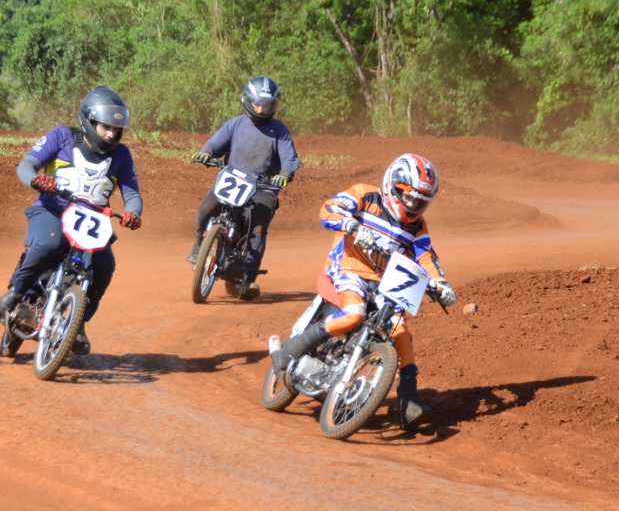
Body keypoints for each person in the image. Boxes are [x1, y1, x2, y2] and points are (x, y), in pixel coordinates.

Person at [271, 153, 457, 429]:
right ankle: (291, 350)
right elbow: (330, 208)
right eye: (410, 198)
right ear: (393, 185)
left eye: (421, 201)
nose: (414, 206)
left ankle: (409, 403)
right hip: (350, 268)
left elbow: (426, 255)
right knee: (354, 314)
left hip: (388, 283)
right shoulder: (366, 196)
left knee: (402, 335)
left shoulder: (418, 225)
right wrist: (348, 223)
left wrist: (440, 283)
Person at [0, 86, 143, 355]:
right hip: (52, 210)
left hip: (92, 221)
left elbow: (132, 194)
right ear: (89, 121)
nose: (111, 134)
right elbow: (26, 165)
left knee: (105, 266)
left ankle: (78, 324)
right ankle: (12, 297)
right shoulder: (62, 136)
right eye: (105, 127)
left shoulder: (122, 155)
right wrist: (36, 179)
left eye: (116, 130)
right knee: (49, 244)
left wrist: (134, 214)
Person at [186, 76, 299, 299]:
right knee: (205, 209)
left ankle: (248, 279)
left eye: (268, 105)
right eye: (259, 105)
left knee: (257, 228)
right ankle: (200, 247)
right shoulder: (236, 124)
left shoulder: (280, 131)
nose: (263, 110)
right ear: (247, 101)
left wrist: (284, 175)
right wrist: (205, 153)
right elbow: (214, 144)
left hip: (263, 187)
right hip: (232, 179)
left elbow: (289, 158)